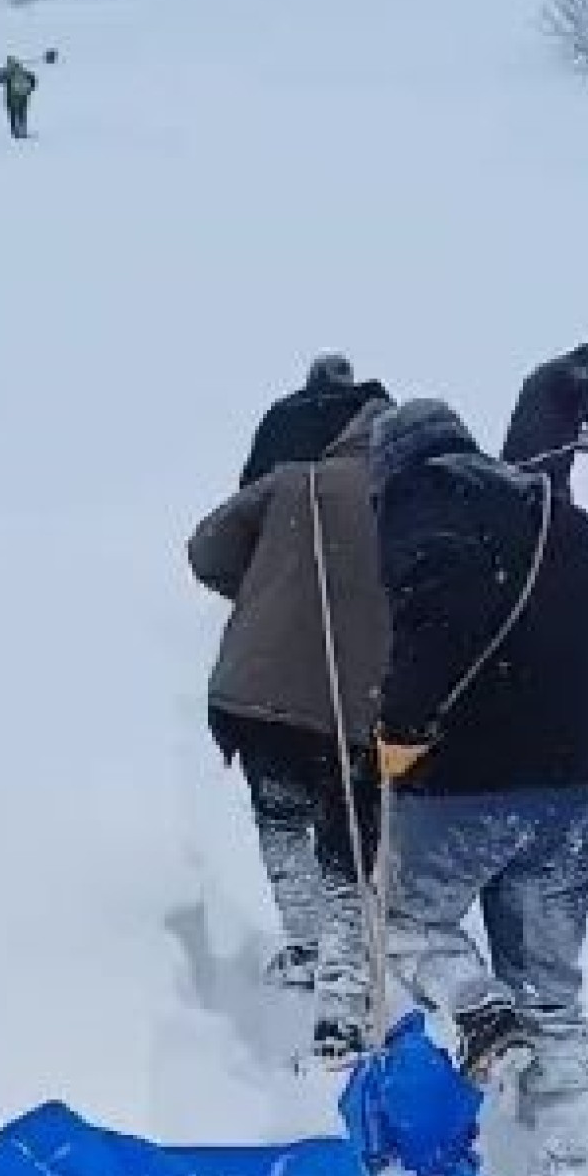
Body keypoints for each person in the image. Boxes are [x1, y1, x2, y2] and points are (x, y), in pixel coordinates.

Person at [370, 399, 588, 1170]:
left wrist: (401, 729)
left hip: (465, 779)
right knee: (549, 976)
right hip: (578, 777)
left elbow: (432, 630)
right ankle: (568, 1157)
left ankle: (481, 1014)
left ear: (393, 469)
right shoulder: (565, 520)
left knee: (413, 926)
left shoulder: (418, 507)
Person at [188, 394, 392, 1061]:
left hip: (261, 693)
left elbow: (206, 549)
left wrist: (265, 589)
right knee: (347, 847)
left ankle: (302, 943)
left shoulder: (292, 482)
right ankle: (340, 1000)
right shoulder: (409, 497)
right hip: (356, 707)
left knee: (280, 819)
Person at [240, 355, 391, 489]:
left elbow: (252, 480)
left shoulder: (283, 410)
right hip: (356, 490)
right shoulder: (373, 403)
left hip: (295, 495)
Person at [501, 343, 588, 499]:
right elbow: (586, 390)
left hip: (513, 461)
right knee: (557, 509)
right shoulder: (577, 376)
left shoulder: (545, 372)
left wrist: (581, 436)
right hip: (542, 466)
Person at [0, 57, 38, 140]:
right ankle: (23, 130)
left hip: (11, 99)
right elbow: (33, 79)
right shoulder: (23, 71)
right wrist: (29, 90)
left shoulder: (7, 73)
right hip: (23, 97)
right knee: (22, 113)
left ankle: (15, 131)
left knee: (13, 114)